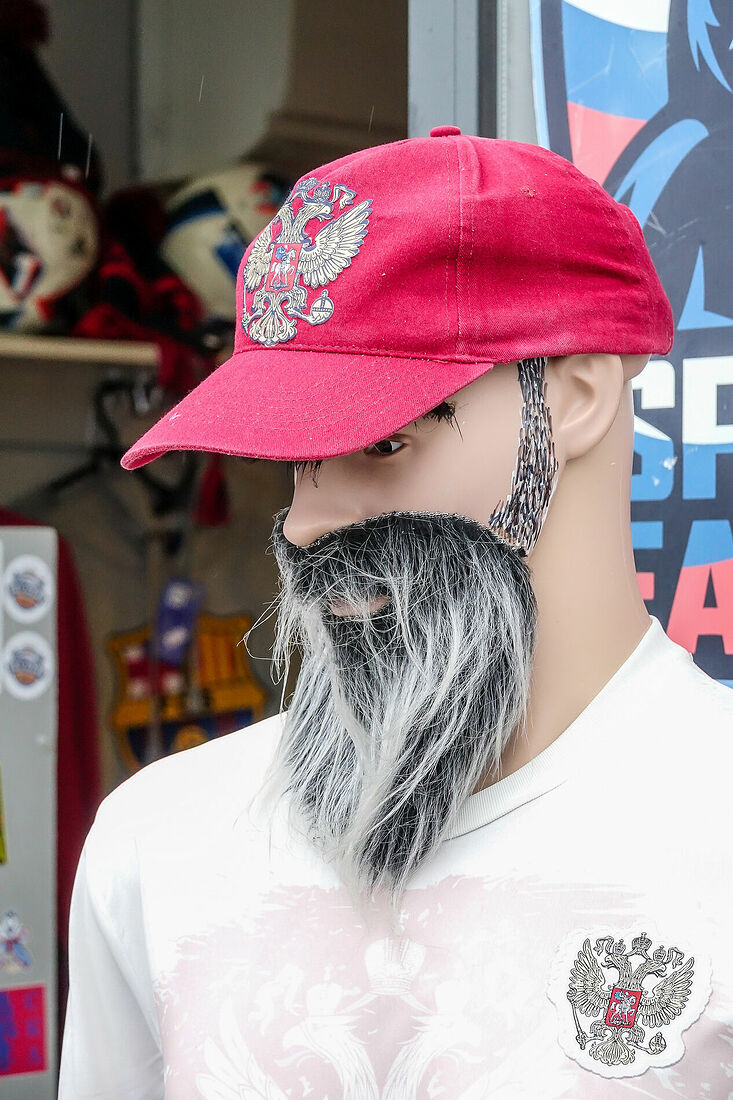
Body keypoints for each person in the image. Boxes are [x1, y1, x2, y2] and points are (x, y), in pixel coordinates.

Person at [59, 128, 733, 1097]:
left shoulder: (709, 823)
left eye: (380, 444)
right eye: (295, 457)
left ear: (576, 400)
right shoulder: (158, 843)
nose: (304, 524)